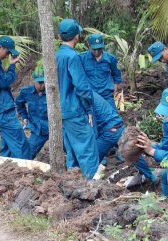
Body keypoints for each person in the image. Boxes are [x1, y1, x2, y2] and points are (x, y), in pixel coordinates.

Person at [56, 19, 99, 179]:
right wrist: (88, 109)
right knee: (87, 149)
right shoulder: (73, 57)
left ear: (59, 36)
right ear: (77, 36)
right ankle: (92, 187)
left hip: (61, 110)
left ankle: (71, 184)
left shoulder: (56, 55)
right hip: (75, 109)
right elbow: (81, 87)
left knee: (72, 149)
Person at [92, 92, 157, 182]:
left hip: (109, 131)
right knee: (131, 152)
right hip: (119, 125)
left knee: (92, 158)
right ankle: (151, 176)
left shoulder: (83, 96)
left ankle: (89, 183)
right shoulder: (92, 94)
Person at [0, 35, 31, 159]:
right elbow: (4, 82)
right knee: (22, 144)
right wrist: (12, 66)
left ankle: (4, 171)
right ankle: (26, 173)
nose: (7, 56)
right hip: (4, 110)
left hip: (3, 109)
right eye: (7, 52)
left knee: (7, 146)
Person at [80, 33, 122, 112]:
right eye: (94, 49)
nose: (97, 51)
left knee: (113, 118)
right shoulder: (82, 58)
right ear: (89, 46)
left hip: (106, 95)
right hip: (90, 95)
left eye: (99, 49)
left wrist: (115, 88)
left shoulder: (111, 58)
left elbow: (116, 74)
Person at [15, 66, 48, 160]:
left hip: (54, 129)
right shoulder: (26, 91)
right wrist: (24, 116)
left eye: (44, 82)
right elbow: (19, 103)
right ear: (34, 80)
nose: (42, 85)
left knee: (70, 150)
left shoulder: (52, 91)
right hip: (38, 130)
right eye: (40, 82)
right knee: (27, 155)